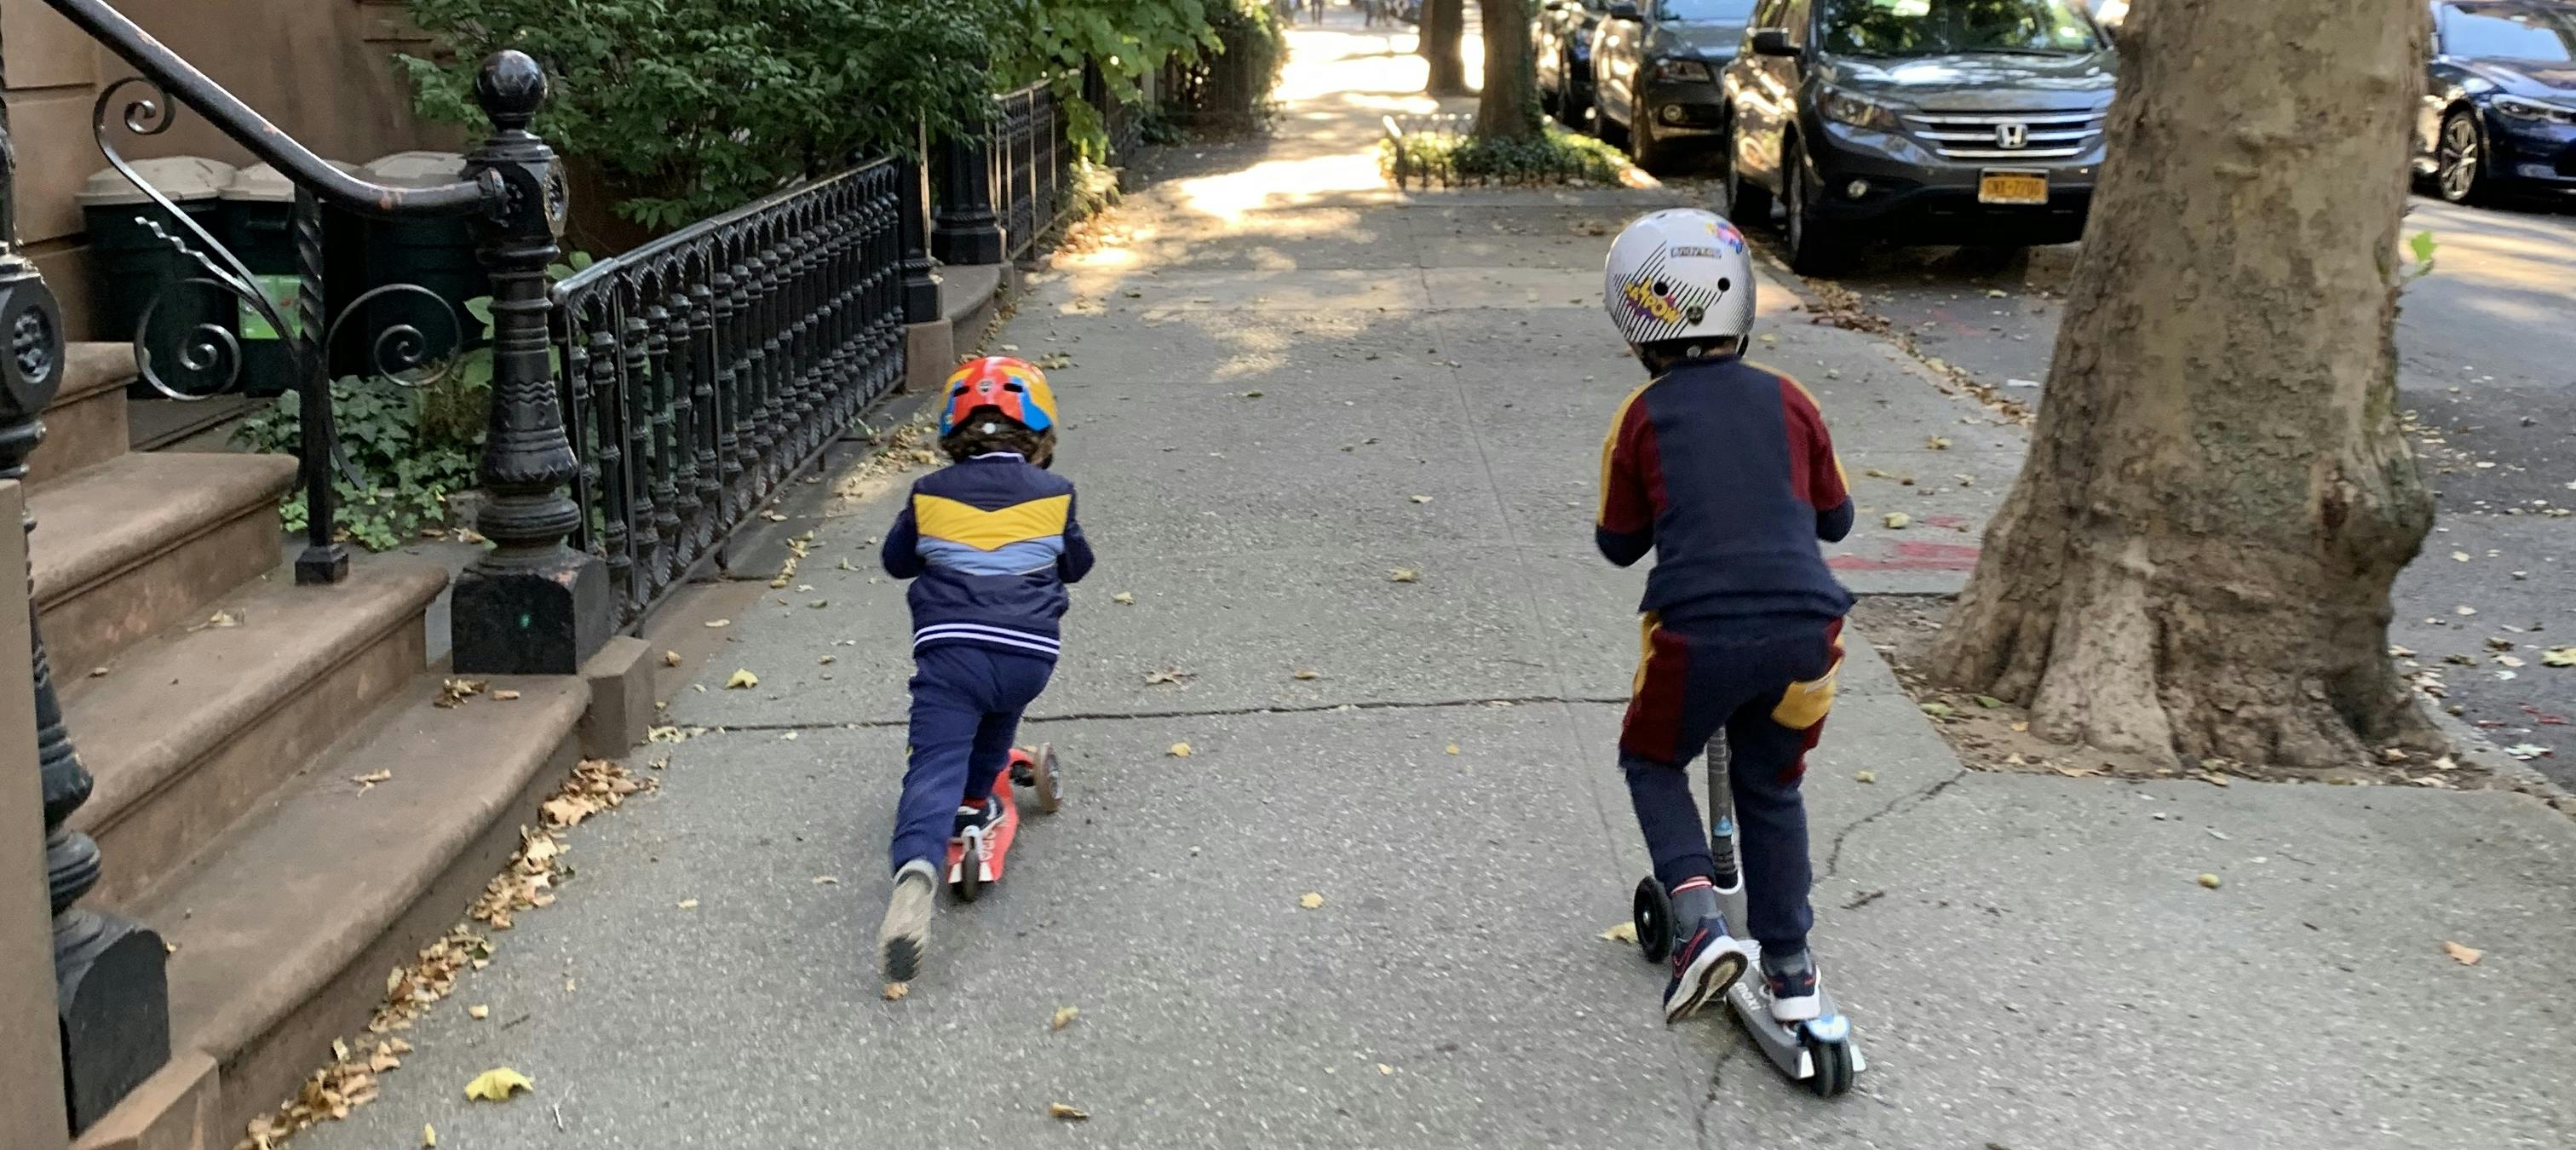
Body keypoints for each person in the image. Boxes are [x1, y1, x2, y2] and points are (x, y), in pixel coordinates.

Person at [1593, 209, 1854, 1026]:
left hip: (1698, 632)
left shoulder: (1641, 417)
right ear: (1741, 308)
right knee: (1772, 783)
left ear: (1634, 325)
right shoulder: (1792, 400)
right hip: (1810, 633)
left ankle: (1699, 922)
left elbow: (1619, 543)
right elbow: (1836, 520)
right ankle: (1791, 967)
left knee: (1650, 756)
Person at [875, 356, 1093, 982]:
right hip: (1029, 656)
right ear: (1039, 433)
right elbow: (1076, 566)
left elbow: (897, 563)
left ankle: (916, 873)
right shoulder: (1056, 495)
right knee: (996, 724)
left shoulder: (929, 494)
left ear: (952, 433)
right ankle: (978, 800)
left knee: (933, 764)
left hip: (951, 657)